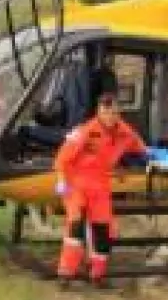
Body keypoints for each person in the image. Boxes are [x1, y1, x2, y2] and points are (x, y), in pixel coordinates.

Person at [53, 90, 148, 286]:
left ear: (118, 112)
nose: (110, 117)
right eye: (106, 112)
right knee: (76, 228)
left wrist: (140, 160)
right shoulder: (84, 131)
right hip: (76, 183)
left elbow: (140, 147)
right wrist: (62, 180)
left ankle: (97, 274)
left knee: (103, 232)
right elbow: (62, 159)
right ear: (99, 111)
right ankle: (66, 273)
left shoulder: (124, 131)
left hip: (101, 185)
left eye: (114, 113)